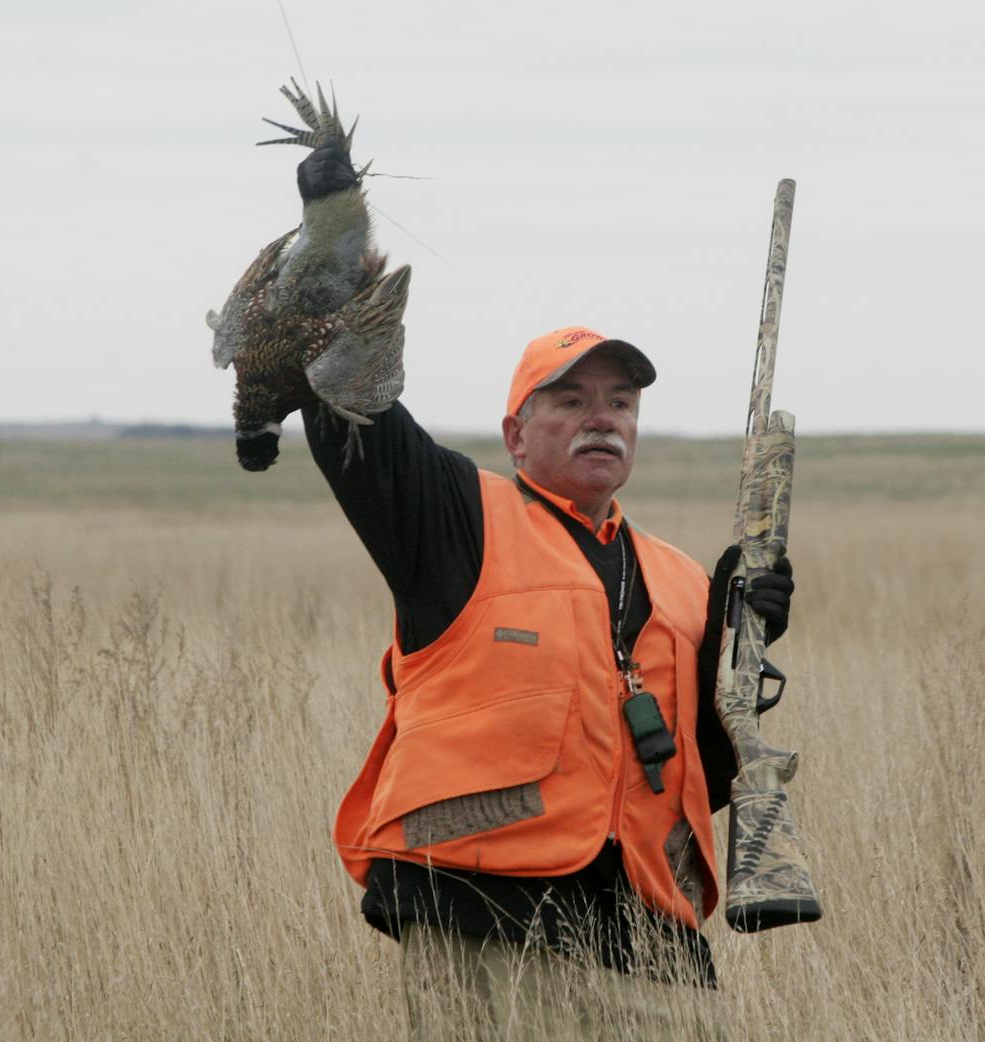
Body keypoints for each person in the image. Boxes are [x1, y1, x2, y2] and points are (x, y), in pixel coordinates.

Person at [291, 149, 795, 1041]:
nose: (601, 416)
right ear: (516, 434)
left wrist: (741, 646)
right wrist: (338, 234)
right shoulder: (454, 519)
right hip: (484, 923)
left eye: (620, 401)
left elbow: (689, 782)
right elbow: (354, 407)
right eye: (568, 399)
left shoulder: (679, 581)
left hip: (649, 940)